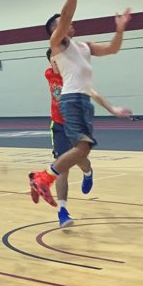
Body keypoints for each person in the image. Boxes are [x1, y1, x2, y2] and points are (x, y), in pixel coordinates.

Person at [29, 0, 133, 206]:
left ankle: (44, 177)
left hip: (83, 101)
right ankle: (43, 178)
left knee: (82, 151)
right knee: (82, 148)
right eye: (61, 24)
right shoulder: (57, 44)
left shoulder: (83, 47)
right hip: (72, 99)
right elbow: (66, 16)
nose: (68, 24)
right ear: (55, 30)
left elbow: (112, 50)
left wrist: (119, 31)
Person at [45, 50, 92, 229]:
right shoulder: (48, 74)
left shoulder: (74, 77)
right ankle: (62, 211)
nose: (56, 63)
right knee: (62, 167)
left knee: (80, 159)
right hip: (58, 125)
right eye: (53, 59)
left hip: (76, 125)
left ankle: (88, 173)